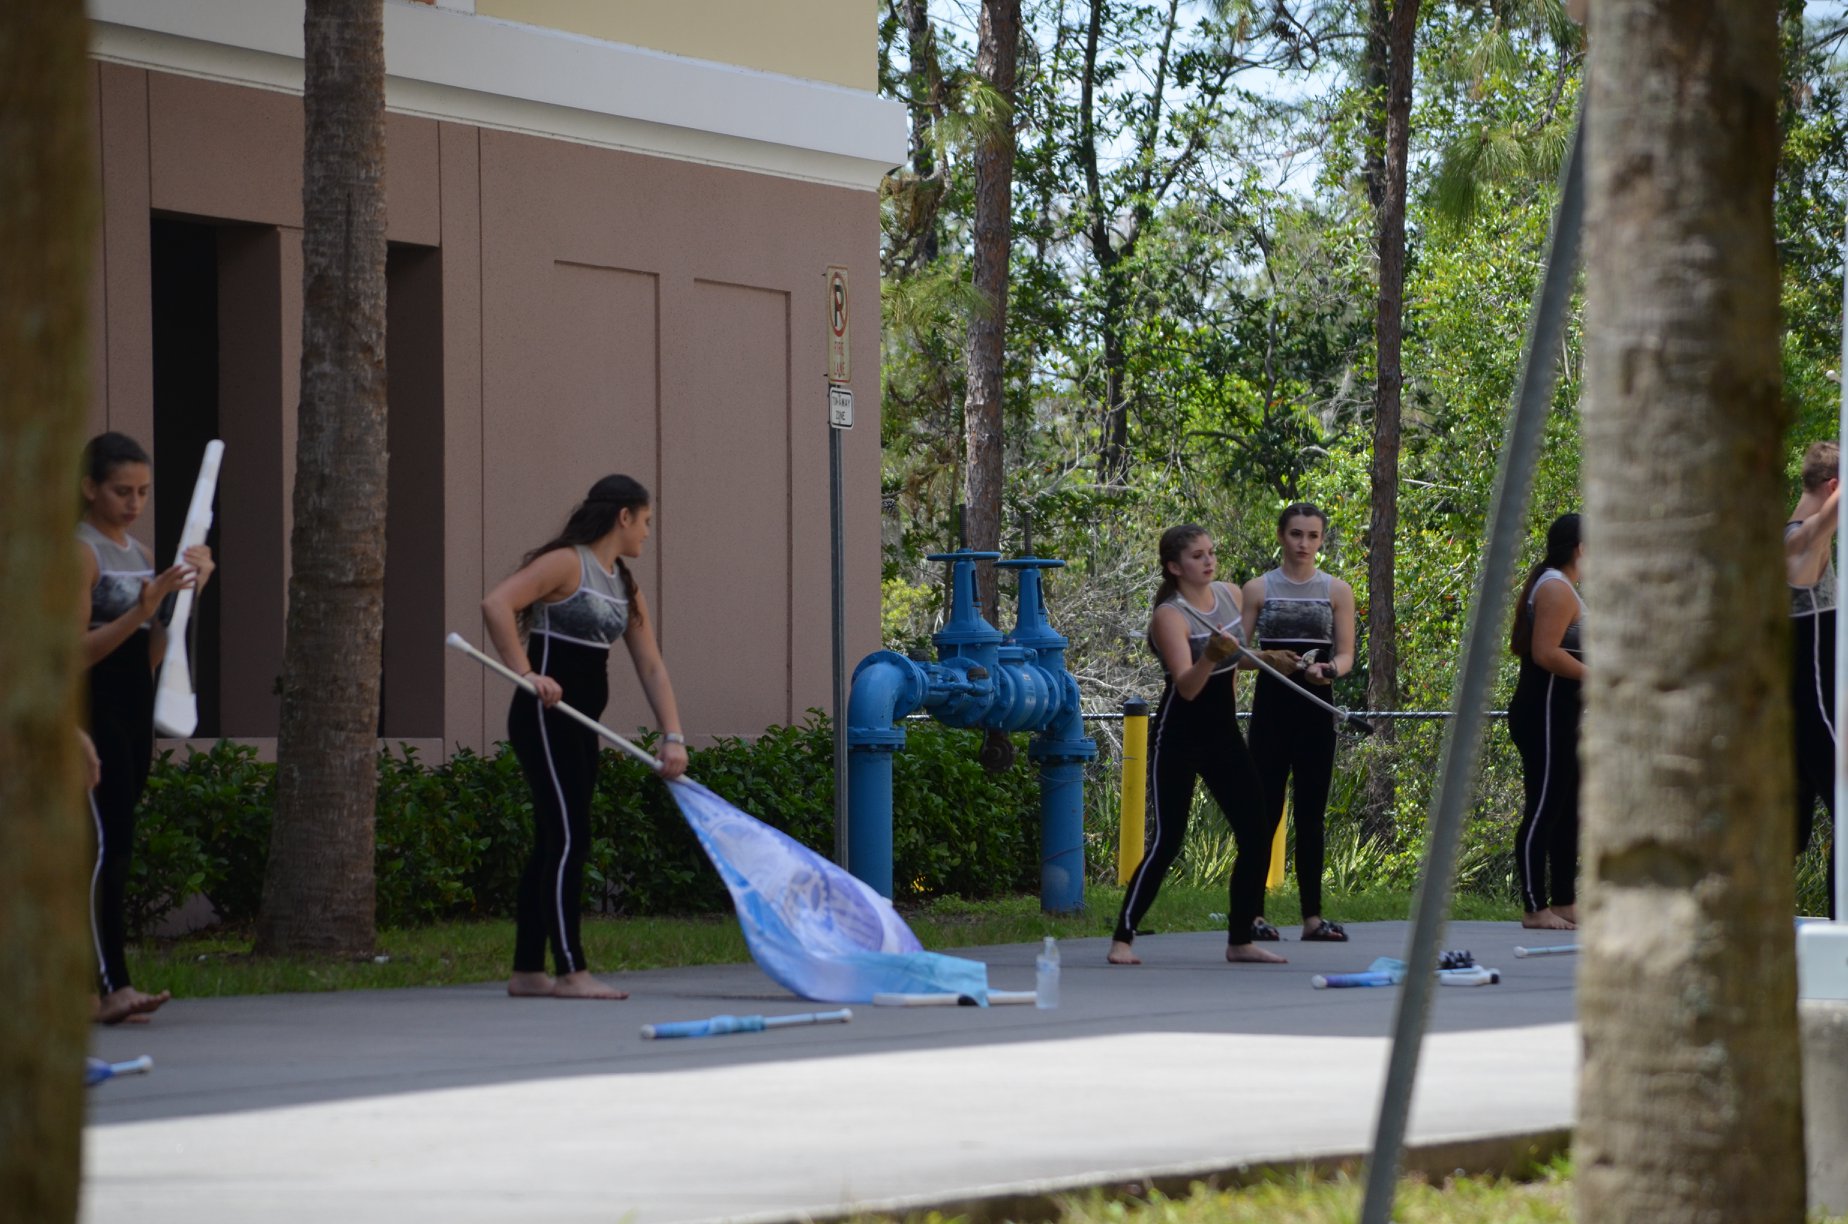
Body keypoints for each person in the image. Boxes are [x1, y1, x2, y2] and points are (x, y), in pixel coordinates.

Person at [481, 474, 688, 1000]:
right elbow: (496, 604)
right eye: (645, 522)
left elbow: (651, 665)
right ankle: (572, 972)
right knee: (570, 838)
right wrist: (526, 674)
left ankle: (529, 971)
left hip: (580, 726)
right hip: (543, 718)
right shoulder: (566, 563)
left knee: (555, 839)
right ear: (623, 516)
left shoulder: (624, 585)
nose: (647, 533)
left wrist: (673, 736)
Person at [1109, 524, 1299, 966]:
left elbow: (1238, 657)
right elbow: (1189, 686)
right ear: (1175, 567)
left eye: (1211, 552)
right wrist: (1210, 656)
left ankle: (1240, 939)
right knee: (1168, 840)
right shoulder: (1170, 616)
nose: (1209, 561)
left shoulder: (1230, 594)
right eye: (1197, 556)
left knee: (1256, 832)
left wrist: (1266, 659)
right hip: (1178, 735)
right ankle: (1122, 938)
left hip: (1223, 734)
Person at [79, 431, 214, 1024]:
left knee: (112, 850)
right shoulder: (79, 552)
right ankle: (113, 987)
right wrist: (142, 607)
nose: (134, 503)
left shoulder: (136, 553)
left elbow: (150, 652)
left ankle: (90, 989)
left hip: (132, 714)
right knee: (105, 850)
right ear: (89, 488)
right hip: (91, 712)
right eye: (121, 491)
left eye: (143, 492)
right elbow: (70, 655)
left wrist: (183, 597)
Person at [1242, 503, 1357, 942]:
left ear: (1322, 539)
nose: (1304, 544)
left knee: (1311, 815)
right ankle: (1251, 914)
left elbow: (1346, 654)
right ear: (1281, 535)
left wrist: (1329, 670)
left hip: (1316, 708)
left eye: (1312, 535)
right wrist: (1270, 658)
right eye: (1296, 534)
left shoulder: (1337, 590)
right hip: (1271, 710)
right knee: (1262, 813)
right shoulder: (1257, 588)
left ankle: (1312, 917)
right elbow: (1236, 653)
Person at [1507, 512, 1584, 931]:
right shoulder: (1555, 587)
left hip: (1564, 716)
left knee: (1569, 808)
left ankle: (1565, 902)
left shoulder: (1562, 586)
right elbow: (1546, 653)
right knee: (1543, 807)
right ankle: (1535, 907)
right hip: (1545, 714)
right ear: (1581, 548)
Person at [1787, 440, 1839, 916]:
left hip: (1797, 711)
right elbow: (1817, 530)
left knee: (1788, 830)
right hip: (1815, 708)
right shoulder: (1802, 539)